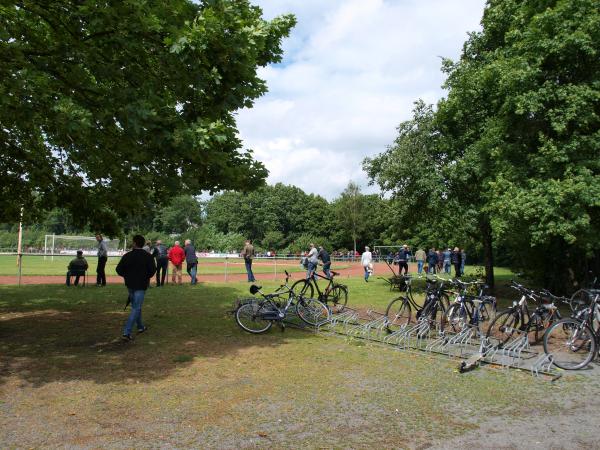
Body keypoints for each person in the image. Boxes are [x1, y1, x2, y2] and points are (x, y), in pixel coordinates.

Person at [116, 234, 156, 341]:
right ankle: (127, 332)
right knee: (136, 307)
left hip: (130, 285)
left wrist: (127, 276)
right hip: (141, 285)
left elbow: (119, 270)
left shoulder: (127, 256)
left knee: (136, 306)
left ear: (134, 243)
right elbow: (152, 270)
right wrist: (145, 277)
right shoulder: (148, 256)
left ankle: (140, 327)